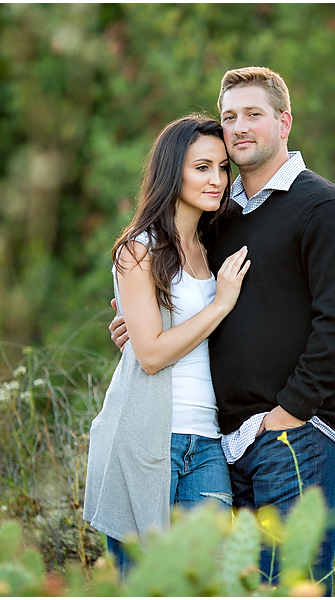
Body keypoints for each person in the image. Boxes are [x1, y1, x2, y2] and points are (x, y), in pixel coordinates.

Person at [109, 67, 335, 595]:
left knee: (290, 586)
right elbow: (183, 297)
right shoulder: (220, 220)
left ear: (285, 121)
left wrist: (289, 413)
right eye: (230, 117)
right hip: (226, 445)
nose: (240, 126)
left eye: (254, 114)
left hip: (300, 434)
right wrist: (137, 329)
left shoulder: (323, 207)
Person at [84, 115, 251, 575]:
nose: (216, 179)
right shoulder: (138, 250)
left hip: (208, 442)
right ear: (172, 170)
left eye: (222, 168)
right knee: (144, 585)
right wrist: (219, 306)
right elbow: (152, 354)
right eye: (202, 167)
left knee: (204, 581)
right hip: (143, 438)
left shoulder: (213, 247)